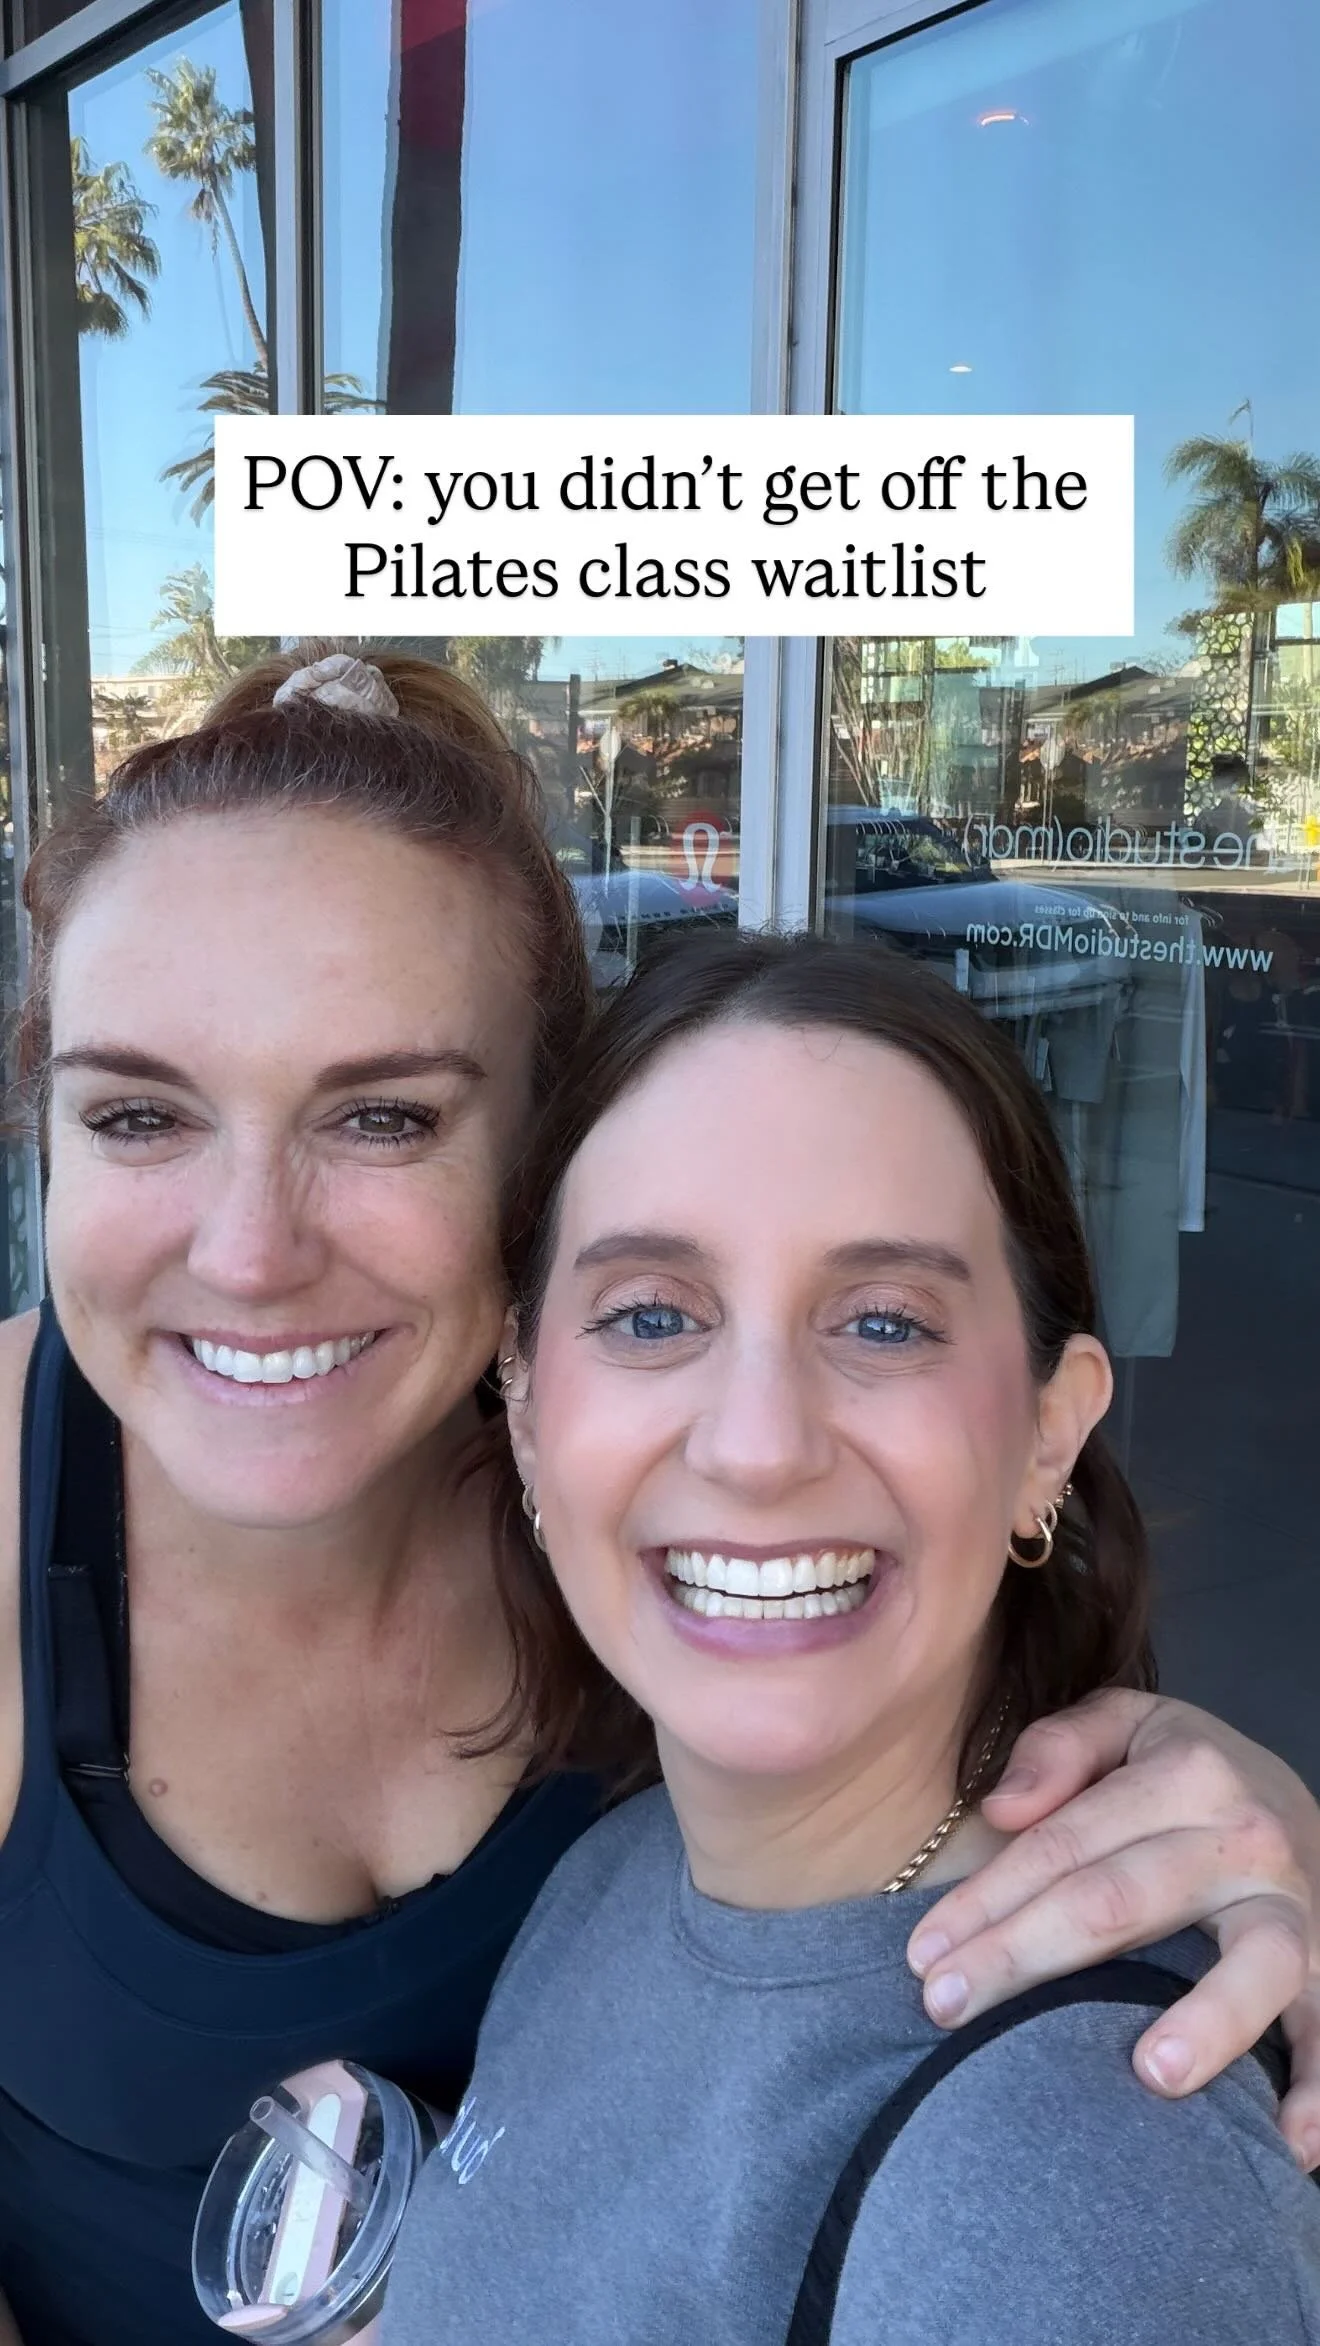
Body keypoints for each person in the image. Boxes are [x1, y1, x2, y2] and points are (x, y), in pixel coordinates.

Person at [0, 649, 1316, 2346]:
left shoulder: (685, 1537)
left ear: (539, 1166)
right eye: (135, 1114)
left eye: (385, 1116)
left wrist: (1257, 1834)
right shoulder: (619, 1821)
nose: (250, 1251)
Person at [386, 931, 1320, 2346]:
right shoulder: (612, 1870)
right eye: (653, 1314)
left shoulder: (1073, 2166)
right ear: (523, 1402)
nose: (759, 1446)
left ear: (1049, 1431)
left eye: (884, 1323)